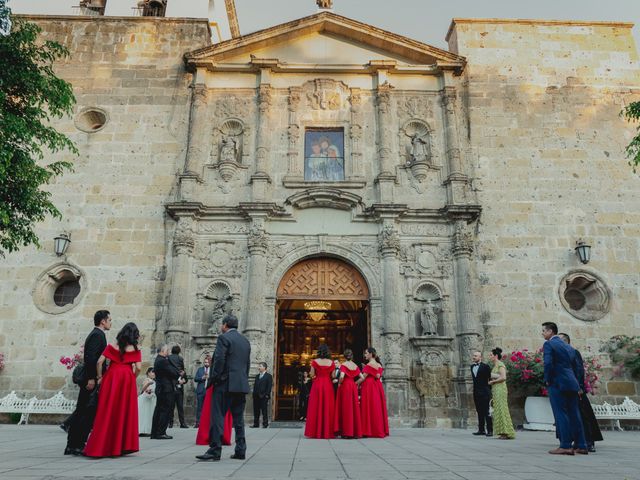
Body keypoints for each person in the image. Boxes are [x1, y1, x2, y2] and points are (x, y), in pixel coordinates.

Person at [196, 314, 251, 462]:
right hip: (240, 384)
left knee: (218, 416)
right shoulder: (245, 341)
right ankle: (241, 450)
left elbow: (219, 360)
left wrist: (214, 379)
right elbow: (247, 364)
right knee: (239, 420)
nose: (221, 327)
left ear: (225, 325)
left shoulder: (224, 338)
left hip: (224, 384)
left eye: (222, 324)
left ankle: (215, 450)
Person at [84, 322, 142, 457]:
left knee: (106, 410)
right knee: (123, 411)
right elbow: (138, 367)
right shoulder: (136, 349)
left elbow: (99, 361)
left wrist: (100, 376)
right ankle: (119, 446)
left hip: (111, 377)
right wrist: (133, 377)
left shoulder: (112, 346)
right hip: (126, 378)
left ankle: (100, 446)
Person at [64, 310, 111, 456]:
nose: (110, 322)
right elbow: (91, 357)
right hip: (90, 380)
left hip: (91, 379)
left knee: (84, 412)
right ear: (102, 321)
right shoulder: (97, 335)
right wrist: (92, 378)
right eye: (109, 319)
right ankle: (75, 445)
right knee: (84, 412)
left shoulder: (97, 334)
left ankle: (75, 444)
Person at [542, 321, 588, 455]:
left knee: (560, 413)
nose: (543, 333)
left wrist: (547, 379)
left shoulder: (549, 344)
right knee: (574, 413)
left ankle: (566, 445)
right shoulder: (569, 347)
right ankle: (581, 444)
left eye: (544, 331)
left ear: (551, 331)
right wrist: (578, 384)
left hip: (557, 383)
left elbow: (548, 364)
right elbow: (577, 367)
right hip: (571, 383)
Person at [558, 333, 603, 453]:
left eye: (559, 339)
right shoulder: (562, 353)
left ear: (566, 341)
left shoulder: (573, 352)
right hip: (566, 389)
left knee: (583, 416)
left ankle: (588, 442)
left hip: (576, 389)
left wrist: (579, 387)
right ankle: (575, 441)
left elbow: (578, 371)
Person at [195, 354, 233, 446]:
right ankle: (219, 436)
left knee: (212, 412)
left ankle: (215, 437)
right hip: (223, 388)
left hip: (216, 387)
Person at [304, 344, 336, 439]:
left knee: (315, 406)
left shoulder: (315, 362)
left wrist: (313, 375)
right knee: (327, 407)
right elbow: (333, 375)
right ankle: (326, 431)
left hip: (317, 385)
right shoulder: (331, 362)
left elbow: (312, 374)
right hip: (327, 385)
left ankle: (315, 431)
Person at [150, 345, 180, 440]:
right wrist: (178, 372)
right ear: (163, 350)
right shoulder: (163, 361)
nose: (169, 352)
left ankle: (155, 432)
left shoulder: (158, 360)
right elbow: (174, 372)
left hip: (161, 388)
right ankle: (160, 432)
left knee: (159, 410)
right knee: (164, 411)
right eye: (167, 350)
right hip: (165, 389)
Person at [358, 347, 389, 438]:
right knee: (376, 407)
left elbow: (363, 377)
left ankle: (368, 430)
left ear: (371, 354)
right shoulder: (379, 364)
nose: (365, 355)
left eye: (366, 353)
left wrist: (354, 383)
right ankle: (378, 430)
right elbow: (378, 375)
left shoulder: (369, 365)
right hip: (377, 387)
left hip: (369, 387)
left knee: (368, 407)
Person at [334, 349, 363, 438]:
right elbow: (362, 377)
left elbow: (342, 376)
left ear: (344, 356)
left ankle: (346, 432)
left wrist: (339, 383)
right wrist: (355, 383)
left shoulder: (344, 365)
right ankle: (354, 431)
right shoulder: (355, 365)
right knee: (354, 408)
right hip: (352, 387)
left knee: (346, 408)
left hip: (345, 386)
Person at [487, 348, 515, 439]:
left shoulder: (500, 364)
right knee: (498, 409)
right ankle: (502, 432)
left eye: (491, 355)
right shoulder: (495, 365)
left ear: (495, 356)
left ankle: (506, 432)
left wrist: (492, 382)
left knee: (502, 409)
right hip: (496, 389)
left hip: (500, 389)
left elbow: (503, 377)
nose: (489, 356)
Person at [471, 350, 493, 437]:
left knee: (487, 411)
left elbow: (489, 379)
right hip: (476, 392)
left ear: (480, 357)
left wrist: (488, 390)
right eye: (473, 356)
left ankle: (490, 430)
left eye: (476, 356)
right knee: (479, 411)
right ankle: (481, 430)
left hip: (484, 392)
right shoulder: (471, 366)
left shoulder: (486, 366)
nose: (474, 357)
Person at [168, 345, 188, 429]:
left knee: (171, 406)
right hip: (179, 387)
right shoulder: (180, 359)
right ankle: (182, 423)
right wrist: (183, 378)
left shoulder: (168, 358)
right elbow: (183, 372)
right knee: (180, 406)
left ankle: (170, 423)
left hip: (171, 385)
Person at [251, 362, 273, 428]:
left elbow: (269, 387)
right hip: (256, 396)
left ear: (264, 367)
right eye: (259, 366)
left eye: (260, 366)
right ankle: (256, 424)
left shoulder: (268, 376)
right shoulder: (257, 376)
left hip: (264, 396)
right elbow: (255, 386)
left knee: (264, 411)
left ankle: (265, 424)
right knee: (256, 411)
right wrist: (253, 394)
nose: (259, 367)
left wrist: (267, 395)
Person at [138, 367, 156, 437]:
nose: (154, 374)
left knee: (149, 415)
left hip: (151, 399)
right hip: (145, 399)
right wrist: (148, 384)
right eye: (152, 372)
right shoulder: (147, 380)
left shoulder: (154, 381)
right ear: (148, 373)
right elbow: (143, 389)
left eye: (154, 372)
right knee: (144, 414)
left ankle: (148, 430)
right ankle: (142, 430)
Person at [194, 356, 210, 428]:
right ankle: (198, 423)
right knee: (199, 408)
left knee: (208, 408)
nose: (205, 363)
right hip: (200, 391)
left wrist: (209, 377)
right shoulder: (200, 370)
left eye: (207, 362)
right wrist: (202, 378)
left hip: (208, 391)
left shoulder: (212, 370)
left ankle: (207, 423)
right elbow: (195, 379)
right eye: (205, 362)